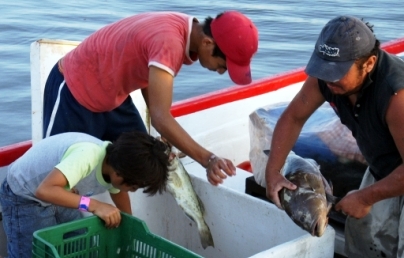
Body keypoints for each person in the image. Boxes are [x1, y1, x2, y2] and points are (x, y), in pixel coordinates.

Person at [42, 10, 259, 186]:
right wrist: (208, 159)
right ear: (208, 43)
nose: (221, 72)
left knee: (144, 162)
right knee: (58, 173)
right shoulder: (170, 43)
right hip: (75, 88)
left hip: (113, 95)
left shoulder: (185, 28)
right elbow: (160, 117)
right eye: (222, 66)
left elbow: (149, 80)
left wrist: (163, 132)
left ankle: (126, 217)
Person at [264, 15, 404, 258]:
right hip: (383, 164)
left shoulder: (396, 96)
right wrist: (273, 172)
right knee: (363, 240)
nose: (328, 80)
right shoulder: (328, 80)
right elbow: (293, 117)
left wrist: (365, 197)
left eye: (337, 73)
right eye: (323, 69)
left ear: (369, 63)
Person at [0, 131, 169, 258]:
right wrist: (95, 206)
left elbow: (118, 192)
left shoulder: (115, 162)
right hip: (24, 195)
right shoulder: (88, 156)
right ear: (119, 173)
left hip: (62, 193)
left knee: (81, 245)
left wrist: (129, 224)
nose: (133, 190)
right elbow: (44, 191)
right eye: (134, 187)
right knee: (31, 253)